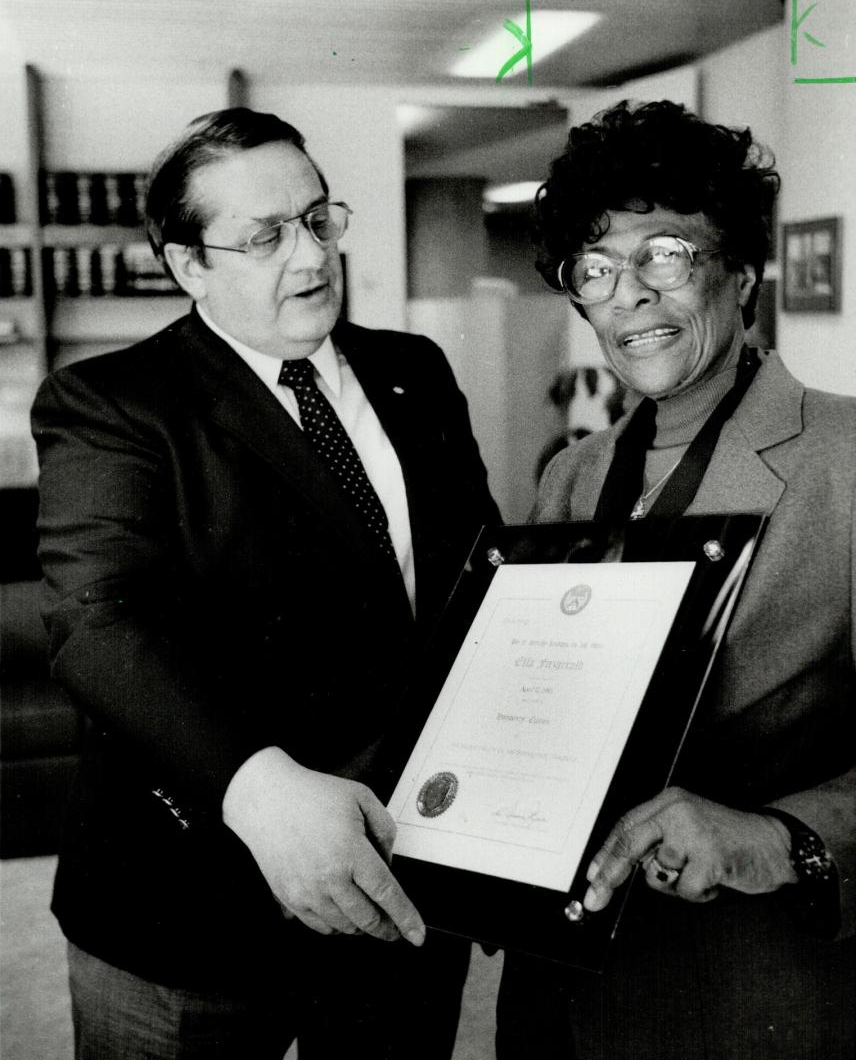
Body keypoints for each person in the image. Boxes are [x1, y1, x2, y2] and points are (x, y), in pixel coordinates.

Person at [31, 107, 500, 1060]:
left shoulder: (415, 371)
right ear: (188, 263)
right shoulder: (114, 402)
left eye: (319, 218)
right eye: (265, 237)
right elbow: (98, 623)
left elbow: (472, 589)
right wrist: (260, 789)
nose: (311, 257)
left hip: (393, 876)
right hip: (184, 904)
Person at [496, 100, 855, 1059]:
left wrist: (784, 841)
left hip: (752, 984)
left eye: (665, 254)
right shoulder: (570, 475)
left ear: (741, 270)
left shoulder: (847, 459)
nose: (630, 297)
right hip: (563, 981)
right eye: (598, 268)